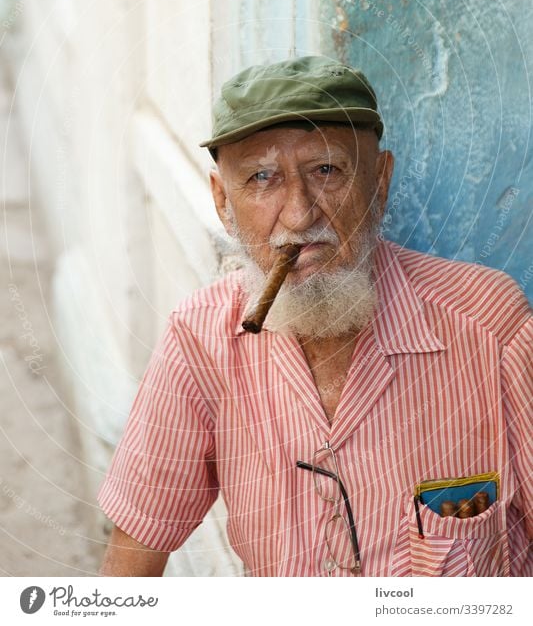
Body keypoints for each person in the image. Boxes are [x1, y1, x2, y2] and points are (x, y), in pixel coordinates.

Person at [98, 55, 532, 577]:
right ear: (221, 202)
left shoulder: (490, 327)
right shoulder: (200, 339)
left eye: (326, 171)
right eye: (262, 178)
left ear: (380, 182)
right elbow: (131, 565)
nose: (300, 214)